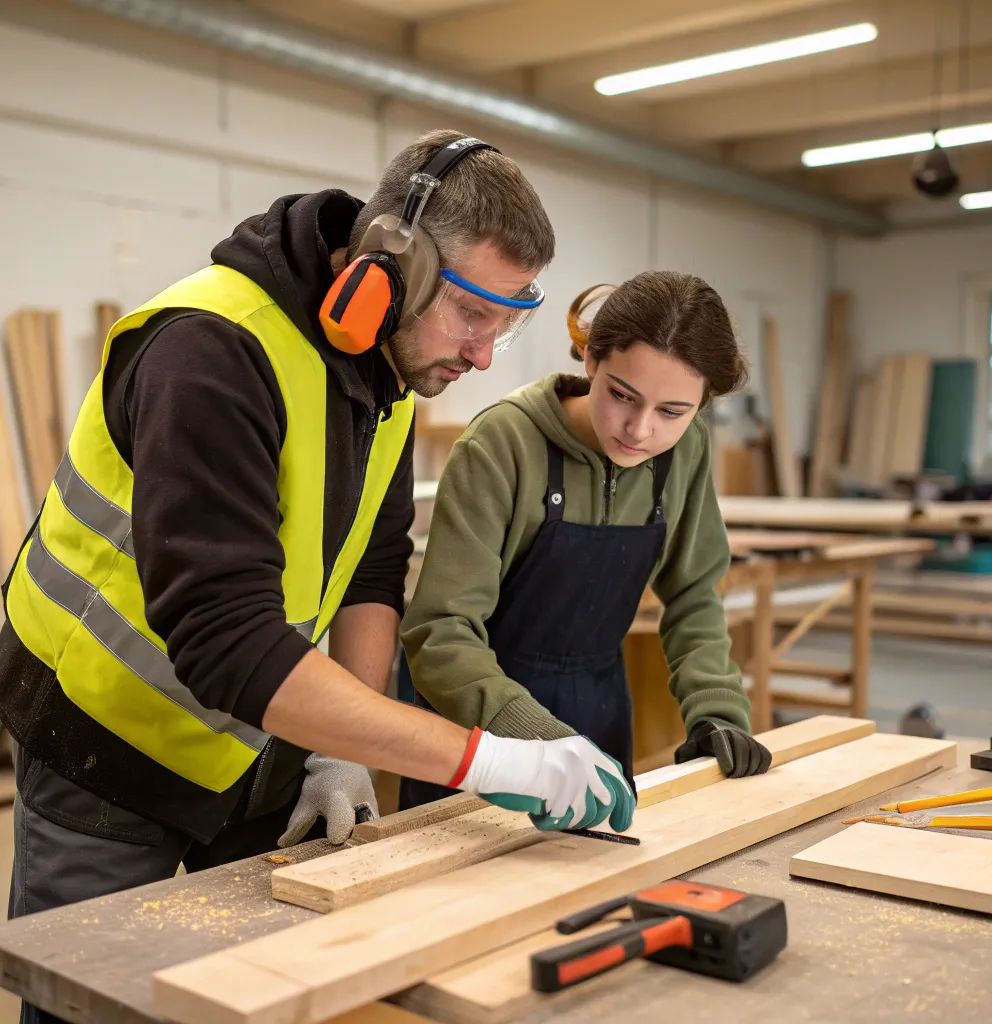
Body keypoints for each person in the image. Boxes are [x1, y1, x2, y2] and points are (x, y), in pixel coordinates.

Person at [0, 129, 636, 982]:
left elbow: (373, 567)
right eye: (474, 314)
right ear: (394, 265)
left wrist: (345, 749)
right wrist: (491, 759)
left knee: (270, 989)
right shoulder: (212, 350)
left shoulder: (390, 372)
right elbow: (226, 638)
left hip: (259, 737)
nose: (483, 356)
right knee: (93, 995)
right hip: (105, 744)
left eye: (506, 324)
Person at [400, 270, 773, 812]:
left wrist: (716, 710)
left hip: (599, 716)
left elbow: (694, 595)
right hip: (482, 731)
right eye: (623, 396)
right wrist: (532, 742)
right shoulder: (502, 445)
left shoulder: (684, 451)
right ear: (592, 359)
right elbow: (440, 631)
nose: (640, 430)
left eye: (672, 412)